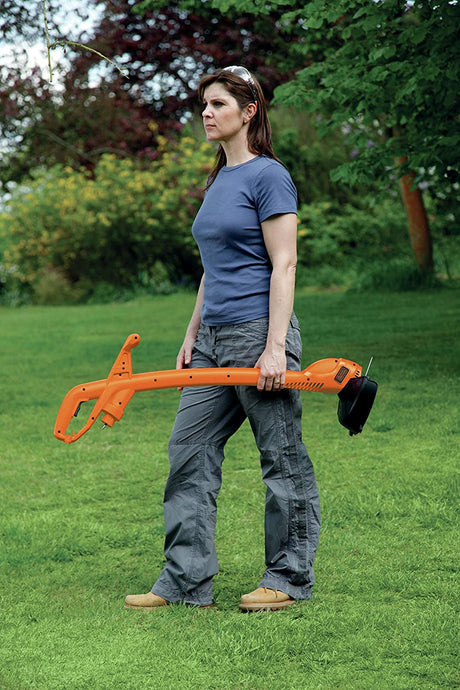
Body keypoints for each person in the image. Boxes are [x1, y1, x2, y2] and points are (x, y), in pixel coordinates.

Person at [125, 66, 320, 612]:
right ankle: (185, 580)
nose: (207, 113)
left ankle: (287, 578)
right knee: (189, 451)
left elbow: (284, 263)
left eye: (218, 104)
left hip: (258, 332)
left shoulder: (269, 176)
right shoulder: (218, 182)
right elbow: (212, 269)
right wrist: (192, 333)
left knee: (281, 457)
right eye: (204, 105)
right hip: (212, 340)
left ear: (248, 111)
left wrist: (275, 347)